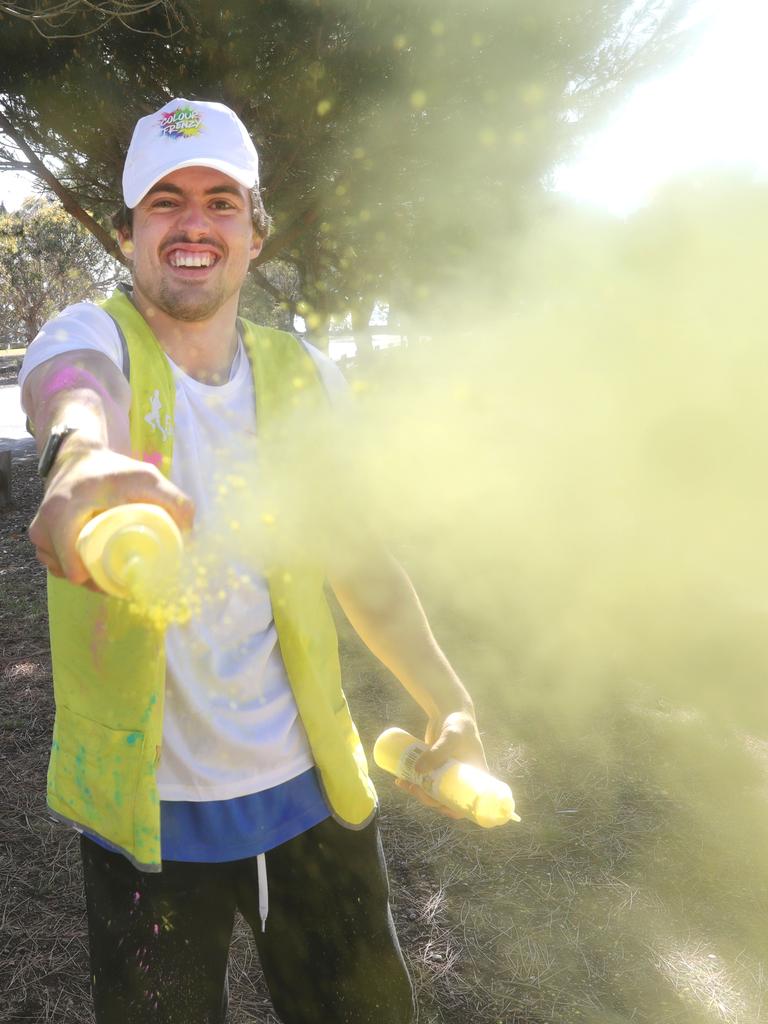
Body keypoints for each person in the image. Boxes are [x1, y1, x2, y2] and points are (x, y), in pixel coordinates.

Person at [20, 98, 488, 1024]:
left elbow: (358, 559)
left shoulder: (305, 373)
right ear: (125, 234)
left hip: (312, 802)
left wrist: (453, 705)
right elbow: (72, 395)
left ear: (255, 234)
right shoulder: (89, 335)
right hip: (144, 827)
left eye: (220, 200)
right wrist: (81, 462)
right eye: (164, 200)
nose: (193, 222)